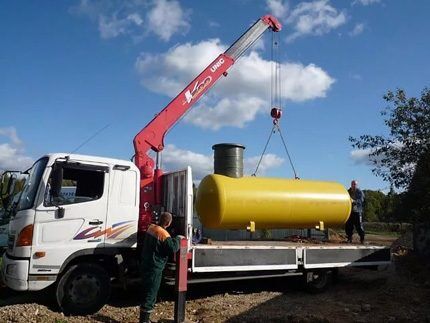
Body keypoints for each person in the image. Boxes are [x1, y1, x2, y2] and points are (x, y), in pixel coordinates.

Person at [140, 212, 182, 323]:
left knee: (146, 291)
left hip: (146, 264)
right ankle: (144, 321)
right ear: (168, 223)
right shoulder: (164, 234)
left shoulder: (151, 228)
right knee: (151, 294)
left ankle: (144, 319)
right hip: (155, 267)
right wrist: (178, 239)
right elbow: (173, 248)